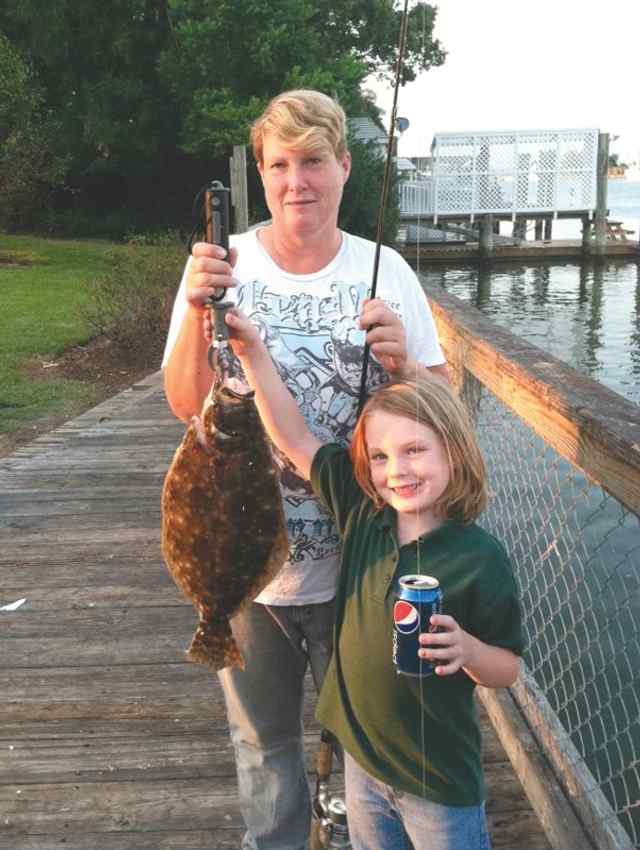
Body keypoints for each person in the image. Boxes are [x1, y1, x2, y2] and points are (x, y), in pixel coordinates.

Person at [162, 88, 449, 850]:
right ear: (261, 173)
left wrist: (408, 366)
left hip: (362, 565)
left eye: (314, 161)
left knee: (369, 743)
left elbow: (444, 407)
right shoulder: (220, 268)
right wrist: (196, 314)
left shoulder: (388, 272)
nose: (299, 182)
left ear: (345, 167)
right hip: (249, 579)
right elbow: (185, 401)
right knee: (264, 749)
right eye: (281, 164)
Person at [223, 314, 524, 850]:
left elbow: (507, 668)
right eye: (380, 456)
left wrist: (469, 649)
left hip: (441, 784)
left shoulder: (482, 558)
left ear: (453, 450)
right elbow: (293, 435)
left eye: (415, 451)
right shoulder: (362, 515)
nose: (397, 471)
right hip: (361, 766)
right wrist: (252, 355)